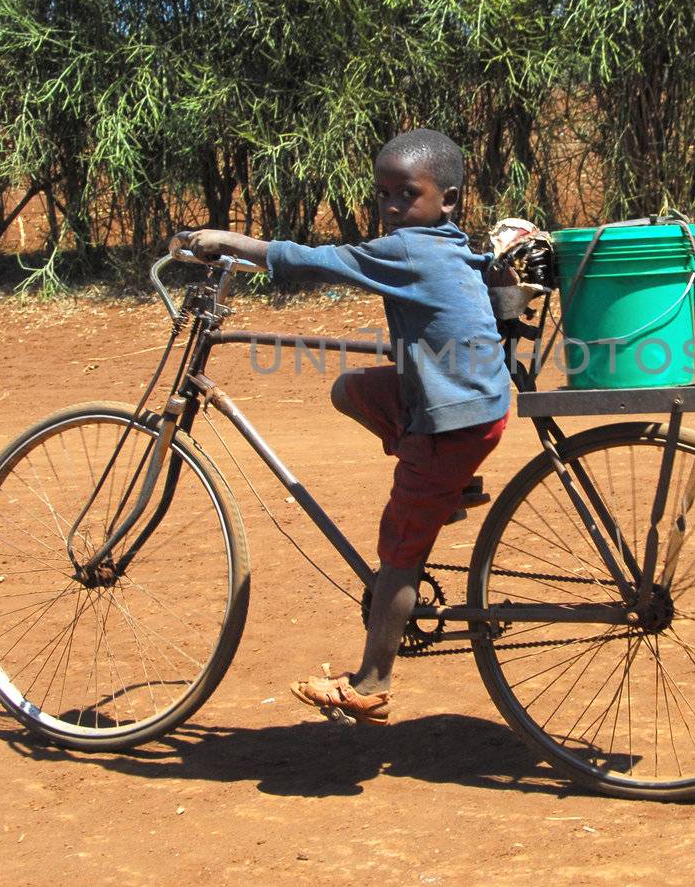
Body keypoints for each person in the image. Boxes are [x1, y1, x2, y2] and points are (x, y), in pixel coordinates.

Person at [168, 128, 511, 725]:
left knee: (397, 553)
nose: (392, 207)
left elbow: (318, 262)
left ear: (448, 200)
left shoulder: (408, 250)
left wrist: (231, 242)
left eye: (407, 194)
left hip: (452, 420)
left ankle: (372, 681)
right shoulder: (448, 243)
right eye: (383, 195)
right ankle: (445, 488)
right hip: (469, 402)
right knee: (351, 389)